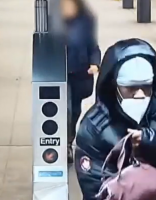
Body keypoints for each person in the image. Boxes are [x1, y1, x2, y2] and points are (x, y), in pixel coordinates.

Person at [74, 38, 156, 200]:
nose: (140, 95)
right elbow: (93, 189)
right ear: (115, 86)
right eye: (131, 88)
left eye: (146, 87)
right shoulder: (95, 127)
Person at [61, 0, 101, 163]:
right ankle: (65, 144)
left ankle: (69, 137)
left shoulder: (85, 21)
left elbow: (92, 44)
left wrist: (94, 63)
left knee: (75, 109)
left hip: (79, 71)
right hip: (60, 72)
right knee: (67, 108)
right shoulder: (53, 22)